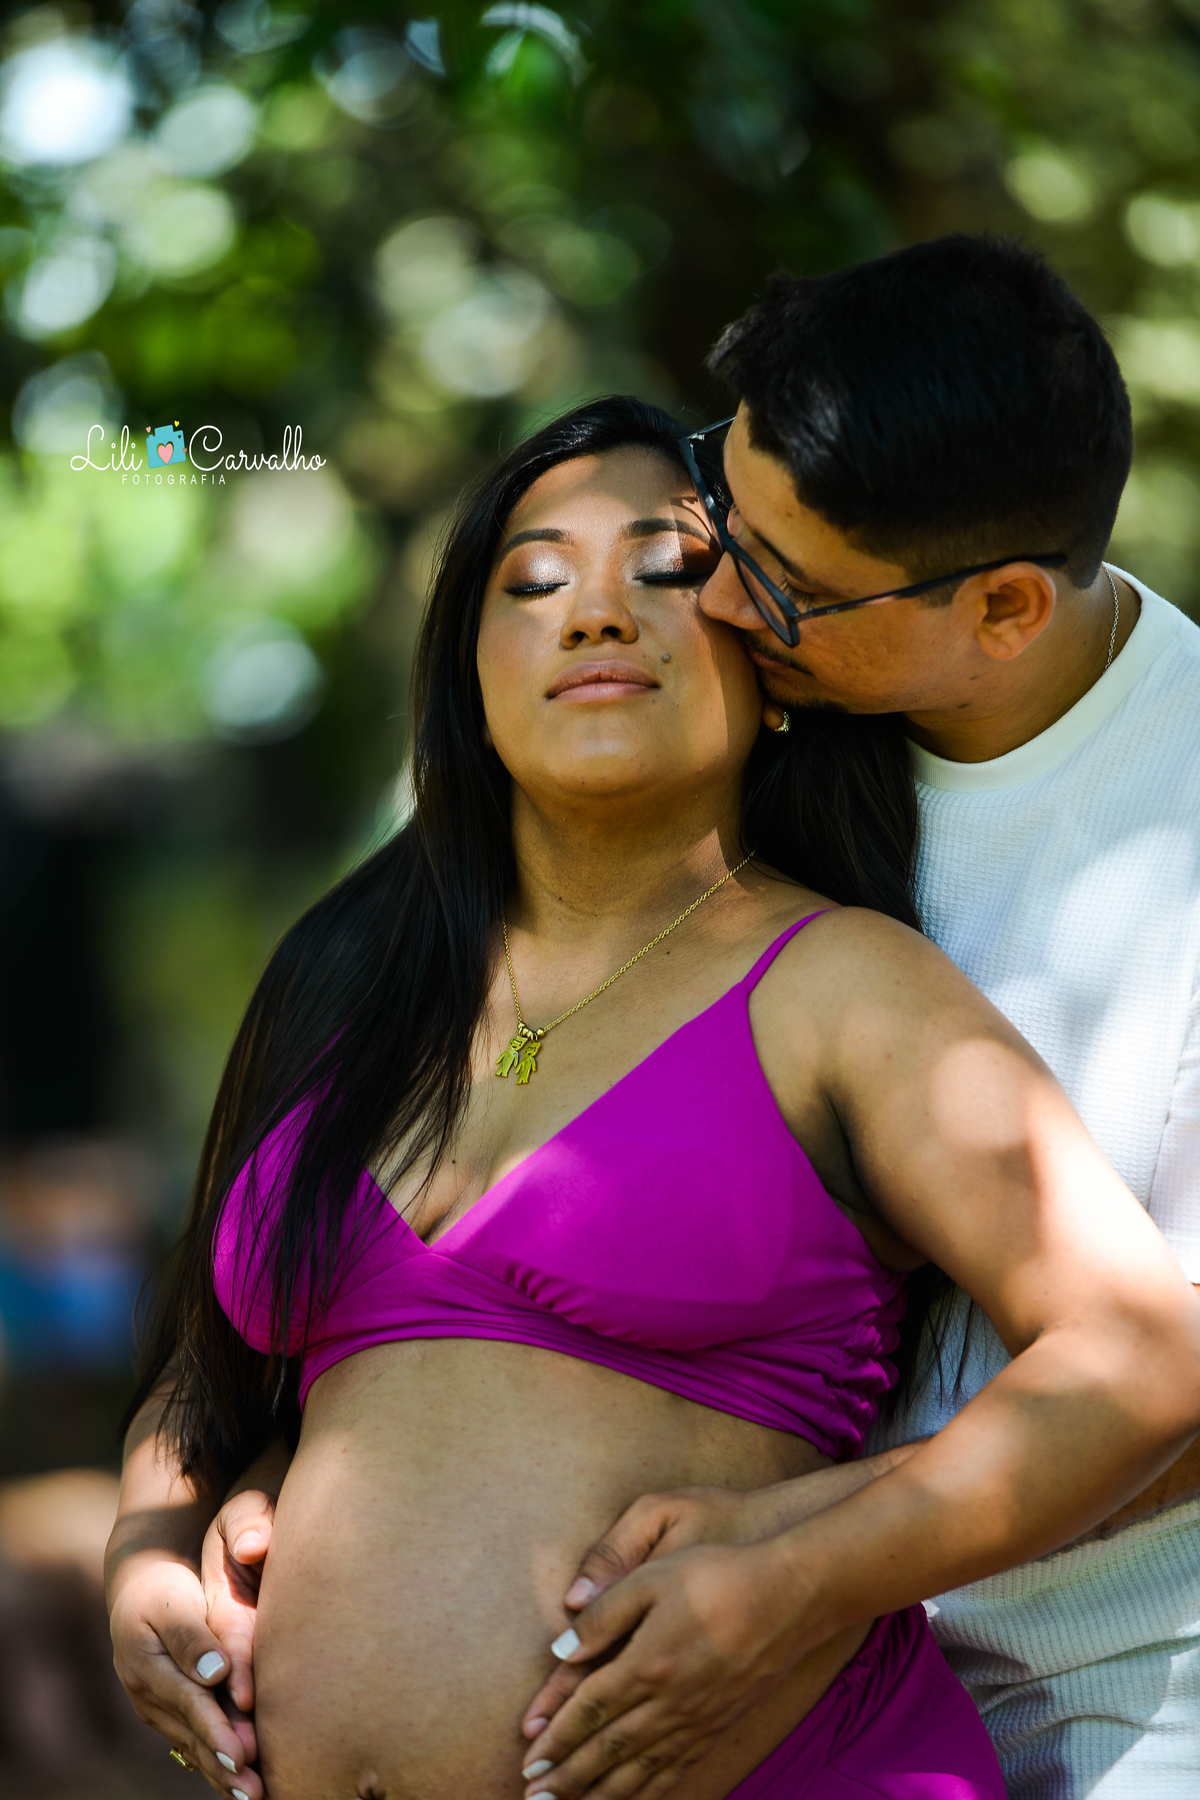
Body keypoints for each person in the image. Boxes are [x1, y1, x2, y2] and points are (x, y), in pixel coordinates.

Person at [102, 395, 1200, 1800]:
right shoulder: (346, 979)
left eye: (669, 573)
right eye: (537, 579)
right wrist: (144, 1552)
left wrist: (794, 1578)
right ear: (469, 665)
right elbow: (207, 1371)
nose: (598, 614)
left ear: (771, 661)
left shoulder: (849, 988)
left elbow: (1142, 1360)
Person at [516, 238, 1200, 1800]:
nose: (718, 592)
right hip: (780, 1706)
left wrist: (803, 1548)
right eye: (721, 505)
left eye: (790, 585)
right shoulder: (759, 725)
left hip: (1123, 1712)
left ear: (1008, 605)